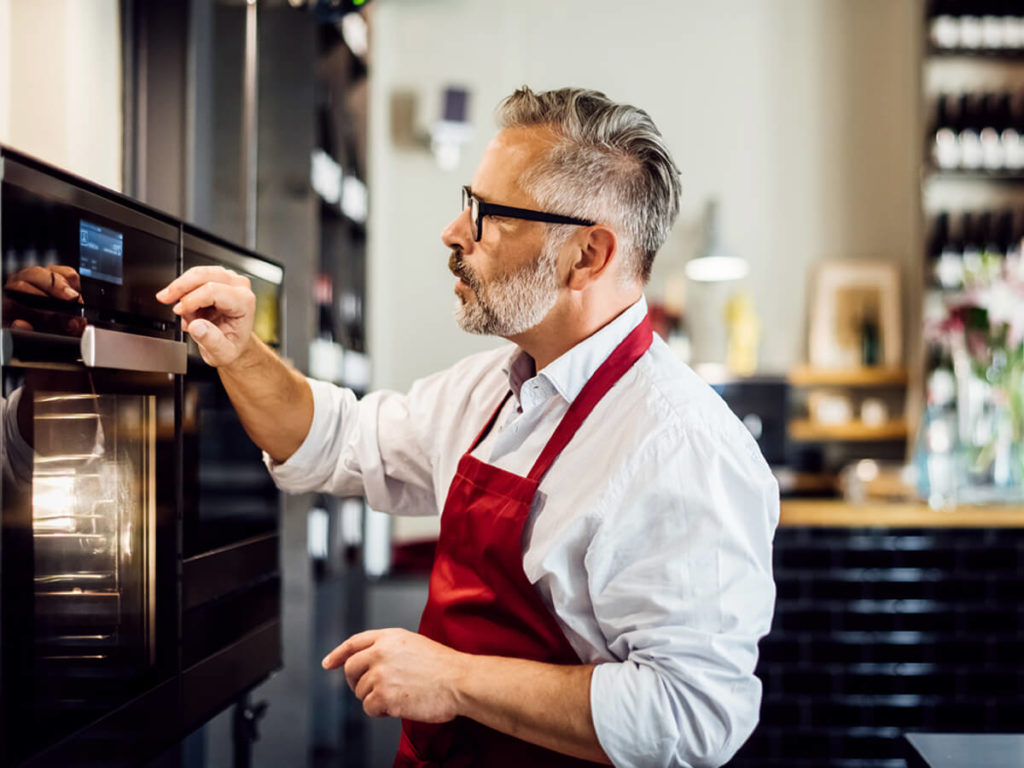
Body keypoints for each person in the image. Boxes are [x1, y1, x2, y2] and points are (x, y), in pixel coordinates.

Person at [157, 86, 779, 768]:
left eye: (488, 215)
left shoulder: (679, 445)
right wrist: (241, 352)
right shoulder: (494, 386)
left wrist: (452, 680)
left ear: (587, 256)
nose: (455, 233)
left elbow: (690, 716)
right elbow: (335, 442)